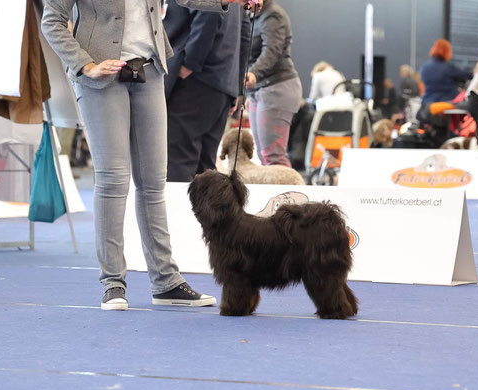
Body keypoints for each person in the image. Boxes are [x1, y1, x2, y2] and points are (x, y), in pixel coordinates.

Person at [41, 0, 260, 311]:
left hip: (150, 71)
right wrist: (85, 64)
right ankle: (113, 282)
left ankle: (165, 281)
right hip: (100, 78)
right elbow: (52, 21)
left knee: (154, 183)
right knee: (113, 180)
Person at [163, 0, 250, 182]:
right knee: (205, 166)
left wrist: (189, 64)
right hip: (222, 83)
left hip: (196, 80)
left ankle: (180, 212)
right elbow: (245, 33)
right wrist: (236, 87)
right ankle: (204, 211)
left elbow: (207, 14)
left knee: (179, 159)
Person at [245, 0, 302, 167]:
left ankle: (292, 193)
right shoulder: (254, 15)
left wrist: (254, 73)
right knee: (264, 156)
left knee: (273, 157)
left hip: (277, 88)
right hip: (260, 90)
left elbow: (272, 50)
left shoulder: (272, 14)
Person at [420, 39, 472, 104]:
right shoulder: (448, 67)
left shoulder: (424, 68)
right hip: (447, 103)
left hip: (428, 104)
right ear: (447, 51)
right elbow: (468, 75)